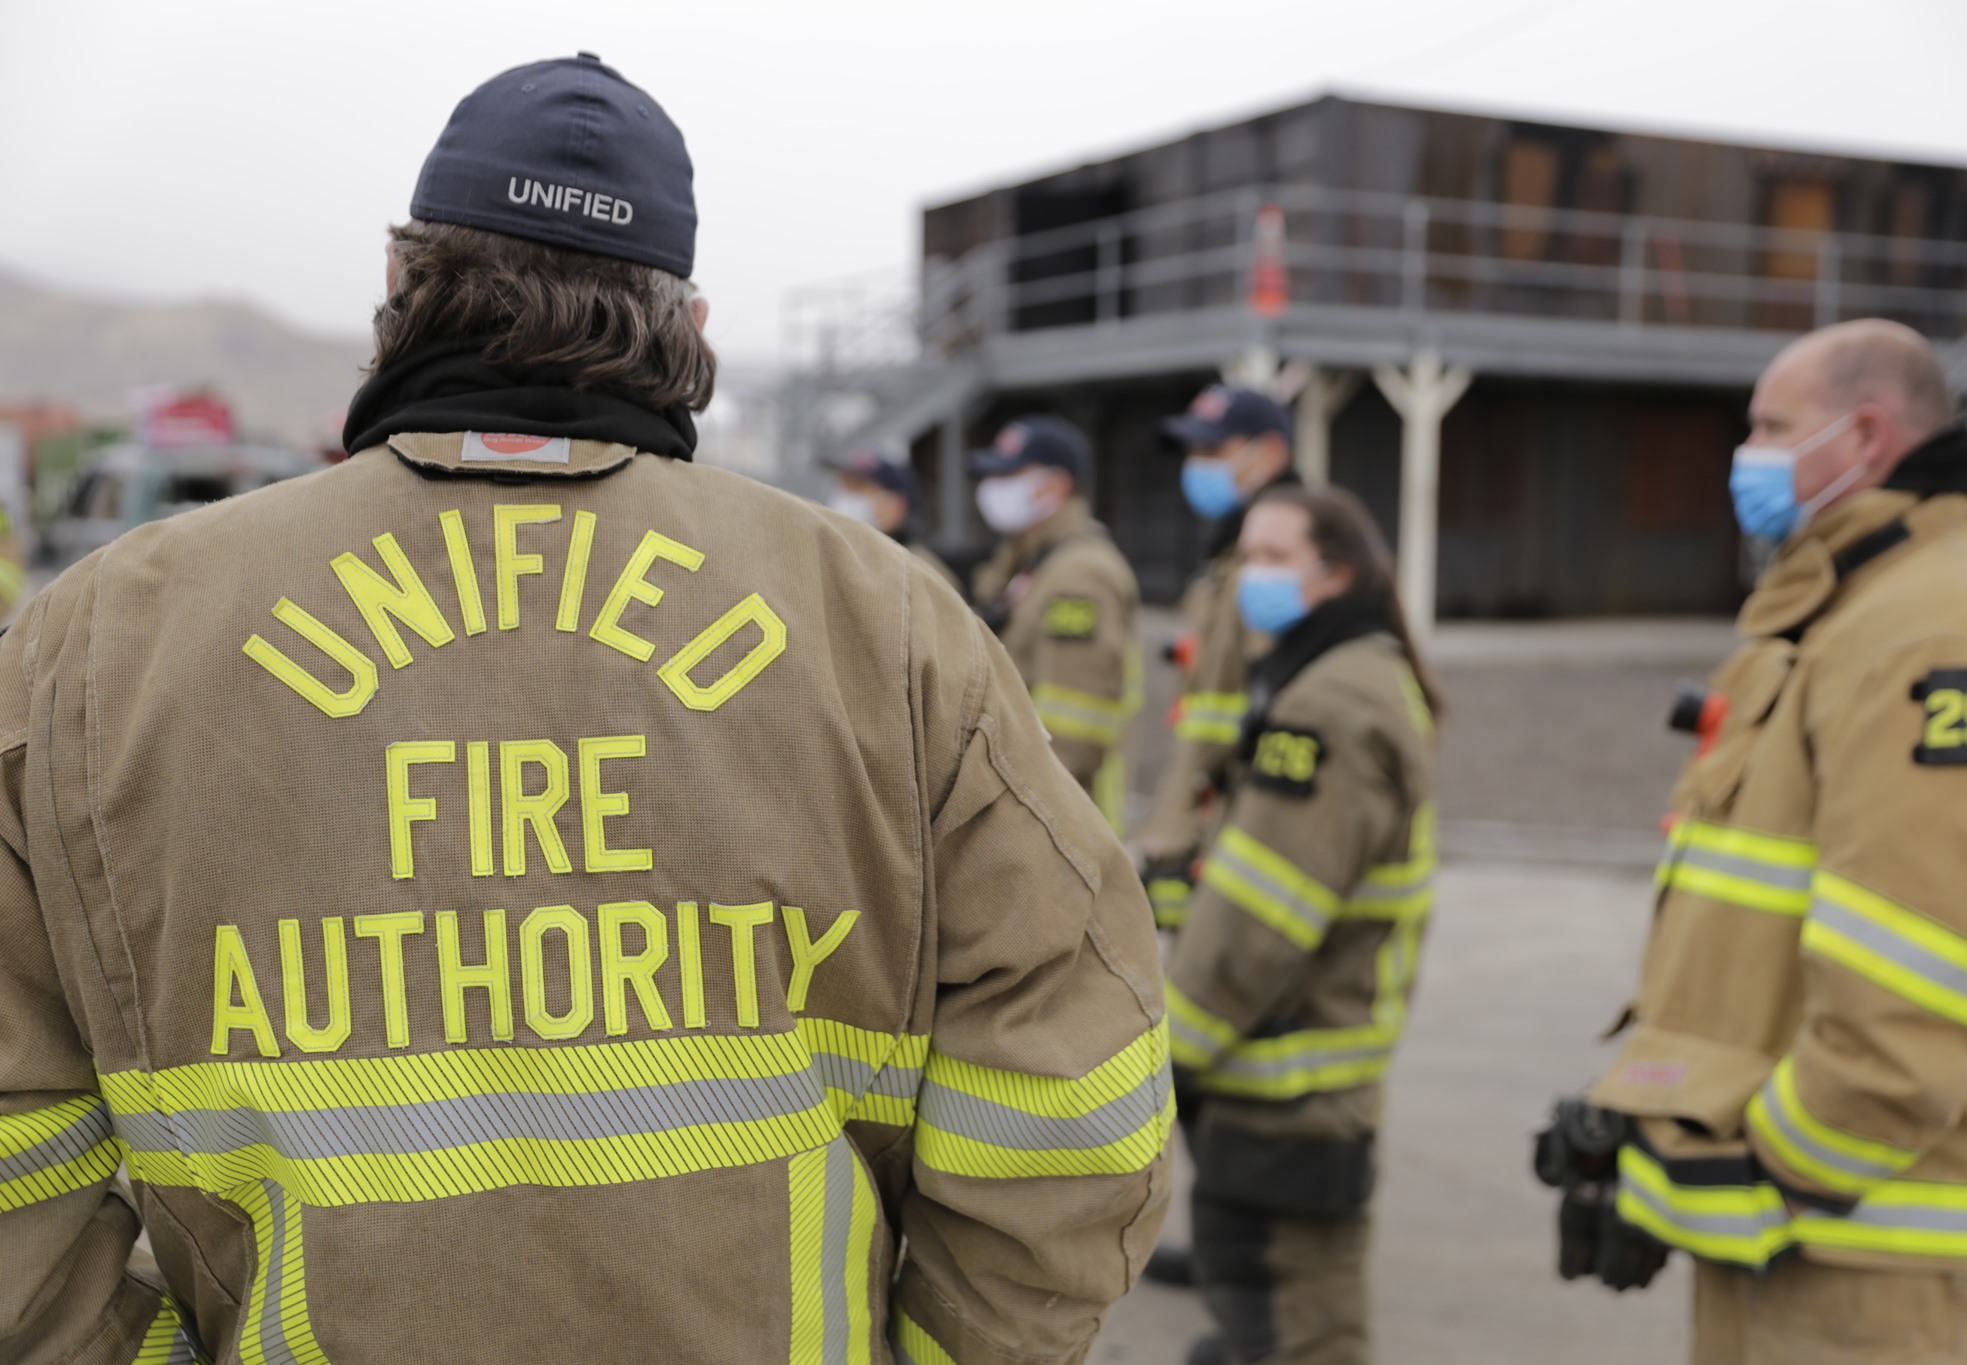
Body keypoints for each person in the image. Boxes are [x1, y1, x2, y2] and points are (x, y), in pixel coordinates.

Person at [0, 54, 1171, 1365]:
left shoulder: (93, 646)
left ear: (398, 284)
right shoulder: (889, 627)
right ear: (693, 321)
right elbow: (1073, 1086)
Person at [1548, 319, 1967, 1364]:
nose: (1749, 457)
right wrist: (1655, 1132)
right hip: (1814, 1252)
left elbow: (1928, 970)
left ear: (1864, 436)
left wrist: (1763, 1171)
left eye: (1771, 429)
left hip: (1883, 1276)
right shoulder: (1854, 600)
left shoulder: (1947, 625)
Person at [1167, 484, 1442, 1365]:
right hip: (1294, 1083)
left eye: (1275, 557)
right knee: (1271, 1322)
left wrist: (1165, 1053)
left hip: (1288, 1093)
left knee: (1303, 1331)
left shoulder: (1329, 706)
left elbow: (1260, 918)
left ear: (1336, 574)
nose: (1252, 576)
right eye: (1247, 555)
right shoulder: (1339, 674)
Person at [1138, 384, 1299, 928]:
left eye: (1212, 450)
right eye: (1193, 451)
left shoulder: (1283, 568)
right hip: (1208, 821)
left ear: (1269, 454)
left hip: (1247, 832)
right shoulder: (1228, 556)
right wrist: (1171, 834)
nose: (1197, 466)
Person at [970, 415, 1142, 832]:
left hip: (1056, 821)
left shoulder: (1079, 575)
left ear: (1056, 486)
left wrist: (1020, 822)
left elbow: (1072, 730)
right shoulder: (1029, 559)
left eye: (1010, 475)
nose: (993, 487)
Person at [825, 445, 962, 595]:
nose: (845, 494)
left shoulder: (919, 569)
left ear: (895, 505)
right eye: (843, 484)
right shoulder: (830, 556)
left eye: (858, 486)